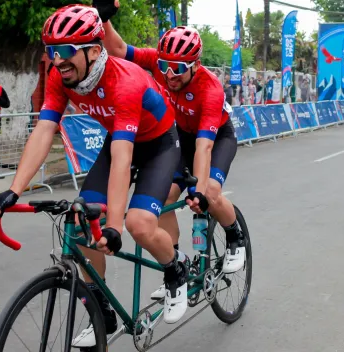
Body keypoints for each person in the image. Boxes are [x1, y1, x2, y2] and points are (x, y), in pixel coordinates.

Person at [0, 4, 189, 348]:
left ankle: (174, 269)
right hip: (119, 140)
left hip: (158, 146)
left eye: (65, 51)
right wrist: (13, 191)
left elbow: (123, 159)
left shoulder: (124, 82)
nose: (57, 60)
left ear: (94, 50)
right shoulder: (61, 77)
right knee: (80, 219)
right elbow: (45, 129)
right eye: (51, 51)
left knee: (138, 224)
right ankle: (99, 306)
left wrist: (115, 226)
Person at [92, 1, 245, 301]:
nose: (170, 74)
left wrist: (199, 190)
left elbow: (205, 146)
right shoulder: (162, 63)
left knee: (210, 192)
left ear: (196, 66)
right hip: (179, 139)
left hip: (215, 138)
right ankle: (175, 266)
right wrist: (104, 19)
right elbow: (121, 50)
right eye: (164, 66)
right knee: (165, 197)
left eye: (178, 69)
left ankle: (234, 236)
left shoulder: (210, 90)